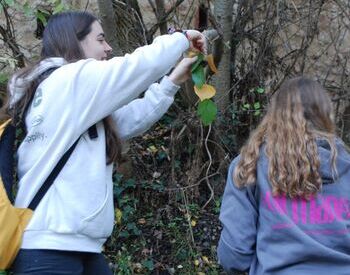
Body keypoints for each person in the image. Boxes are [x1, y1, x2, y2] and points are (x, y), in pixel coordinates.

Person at [3, 11, 207, 275]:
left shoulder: (67, 97)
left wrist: (172, 81)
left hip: (78, 247)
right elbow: (134, 67)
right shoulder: (68, 81)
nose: (108, 47)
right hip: (49, 248)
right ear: (74, 42)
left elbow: (130, 120)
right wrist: (181, 38)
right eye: (100, 39)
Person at [217, 77, 350, 274]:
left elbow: (234, 254)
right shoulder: (345, 167)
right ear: (325, 115)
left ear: (275, 115)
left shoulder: (249, 164)